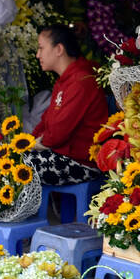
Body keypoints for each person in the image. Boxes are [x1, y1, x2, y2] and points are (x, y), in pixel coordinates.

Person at [26, 24, 109, 184]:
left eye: (41, 48)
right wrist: (28, 142)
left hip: (80, 163)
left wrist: (36, 144)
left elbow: (57, 134)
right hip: (62, 155)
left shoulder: (81, 81)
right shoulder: (65, 80)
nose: (37, 55)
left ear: (59, 49)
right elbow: (46, 121)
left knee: (12, 168)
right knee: (5, 159)